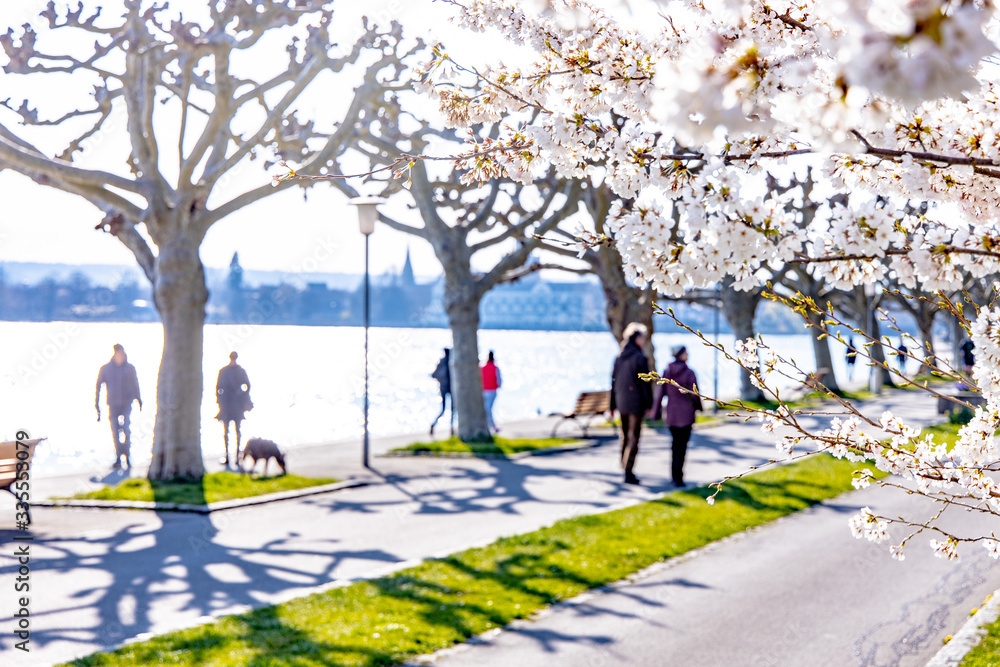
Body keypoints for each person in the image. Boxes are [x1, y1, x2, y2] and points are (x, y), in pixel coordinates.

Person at [611, 323, 653, 485]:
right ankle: (628, 469)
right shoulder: (640, 358)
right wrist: (649, 405)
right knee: (633, 437)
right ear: (636, 339)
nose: (644, 341)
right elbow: (645, 384)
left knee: (624, 435)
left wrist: (612, 405)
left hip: (621, 402)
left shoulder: (619, 357)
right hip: (636, 404)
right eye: (642, 338)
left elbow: (613, 382)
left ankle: (624, 465)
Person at [95, 344, 142, 470]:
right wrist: (97, 406)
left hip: (126, 403)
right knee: (115, 431)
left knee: (126, 429)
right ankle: (118, 458)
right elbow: (98, 387)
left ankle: (127, 457)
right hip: (113, 404)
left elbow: (135, 384)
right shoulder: (106, 369)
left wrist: (139, 399)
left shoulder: (130, 368)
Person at [662, 345, 701, 488]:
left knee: (675, 445)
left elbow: (660, 392)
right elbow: (695, 394)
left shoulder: (667, 372)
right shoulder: (689, 372)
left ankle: (674, 475)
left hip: (672, 414)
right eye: (686, 352)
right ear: (681, 355)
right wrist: (699, 407)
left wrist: (655, 412)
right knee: (682, 446)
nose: (688, 354)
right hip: (686, 414)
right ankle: (678, 477)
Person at [216, 351, 253, 467]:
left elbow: (247, 386)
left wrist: (241, 395)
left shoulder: (237, 371)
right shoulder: (226, 371)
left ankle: (237, 456)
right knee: (227, 432)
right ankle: (228, 456)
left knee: (237, 431)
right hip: (228, 405)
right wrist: (221, 401)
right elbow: (218, 389)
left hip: (235, 405)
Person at [430, 348, 454, 436]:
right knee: (451, 409)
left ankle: (450, 429)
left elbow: (434, 375)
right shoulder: (450, 362)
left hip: (444, 388)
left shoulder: (442, 362)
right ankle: (451, 429)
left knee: (445, 409)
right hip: (450, 388)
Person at [481, 351, 503, 433]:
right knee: (488, 409)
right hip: (492, 391)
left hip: (484, 391)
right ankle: (491, 426)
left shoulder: (482, 368)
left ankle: (490, 426)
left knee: (487, 409)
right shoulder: (495, 368)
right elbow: (499, 382)